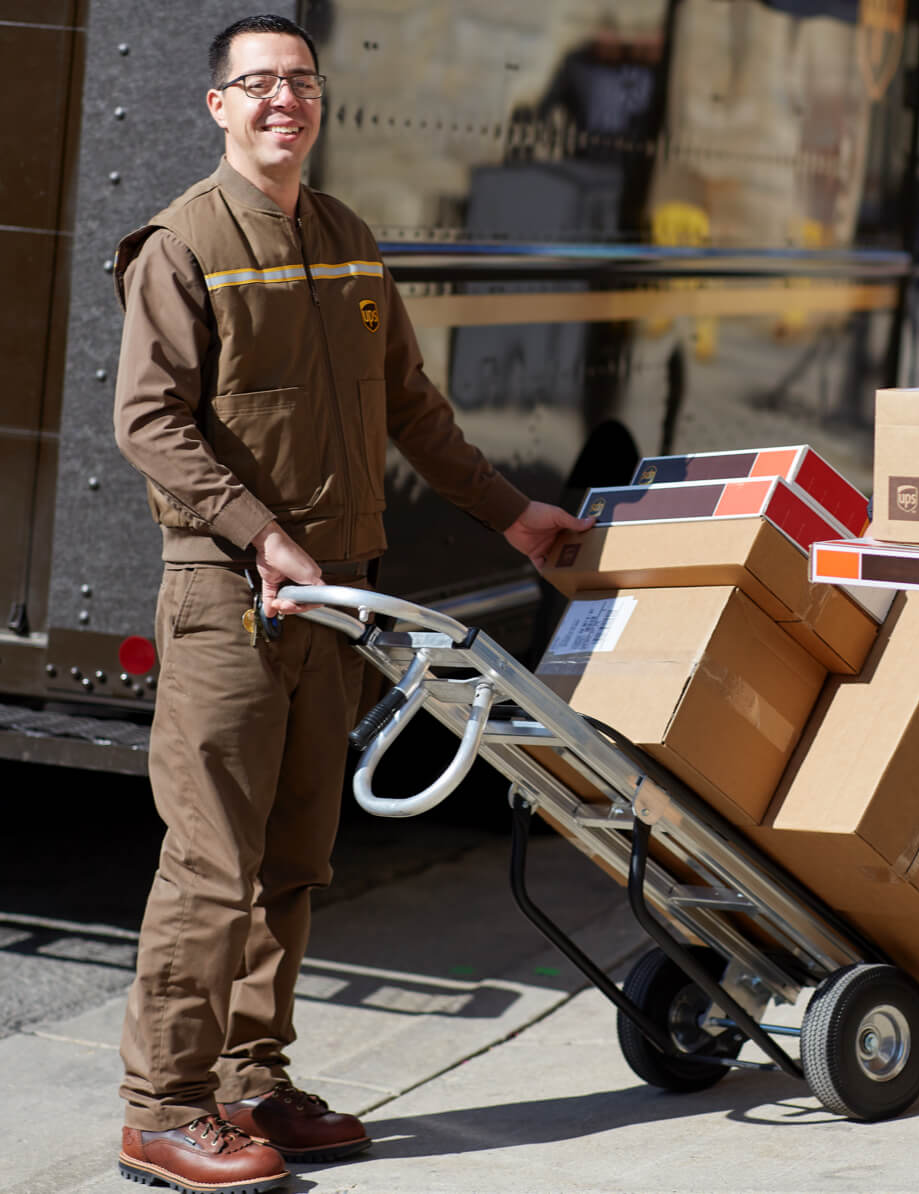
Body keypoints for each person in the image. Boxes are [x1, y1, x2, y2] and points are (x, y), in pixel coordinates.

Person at [111, 15, 590, 1194]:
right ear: (217, 106)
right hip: (231, 593)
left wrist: (511, 513)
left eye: (301, 83)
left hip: (333, 598)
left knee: (294, 857)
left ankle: (251, 1081)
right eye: (258, 85)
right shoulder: (184, 244)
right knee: (212, 861)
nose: (284, 101)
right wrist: (260, 535)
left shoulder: (346, 241)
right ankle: (162, 1106)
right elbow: (149, 424)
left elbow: (412, 408)